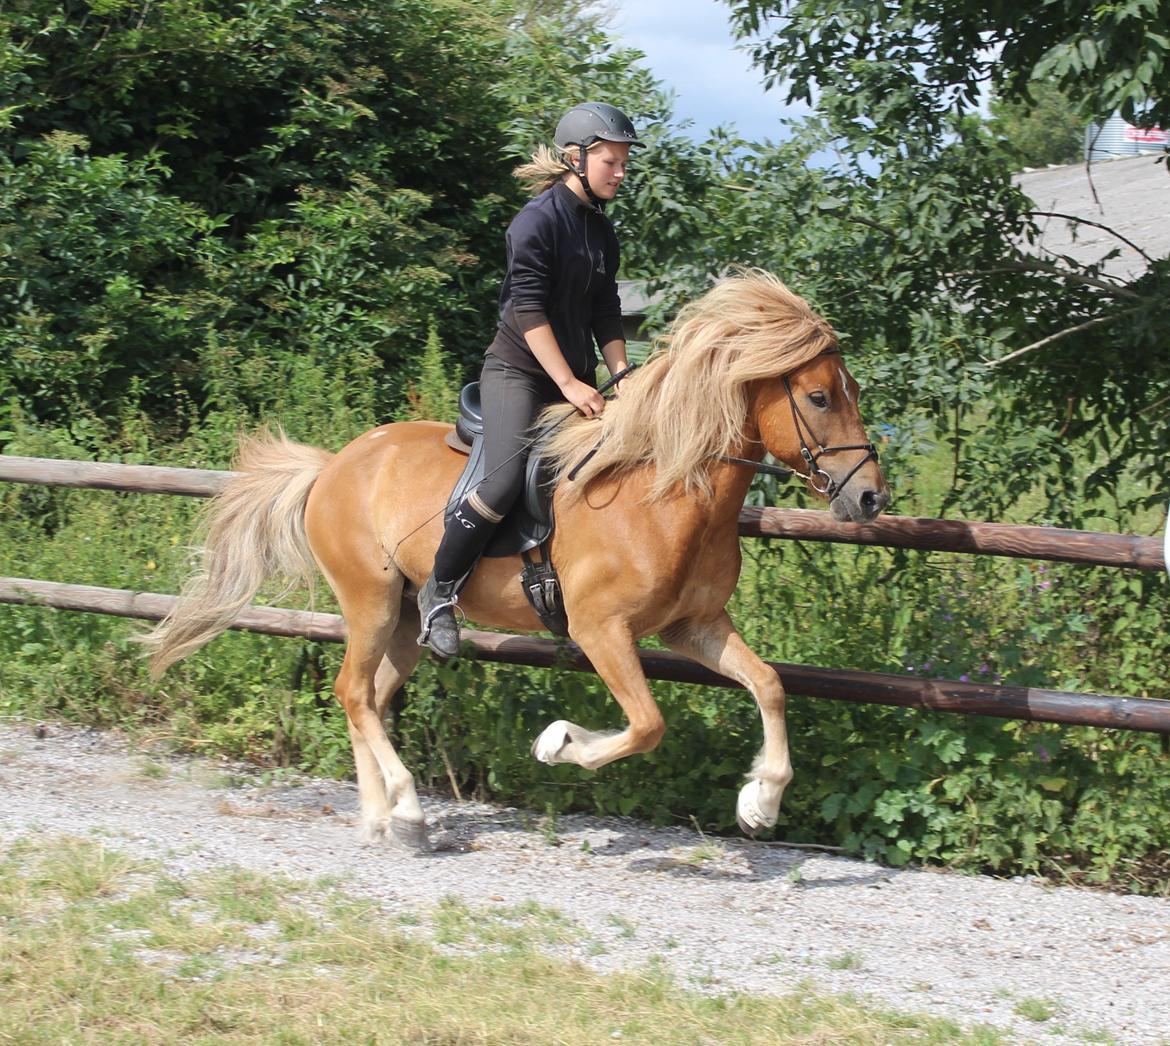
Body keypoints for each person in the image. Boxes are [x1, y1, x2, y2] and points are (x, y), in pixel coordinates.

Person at [417, 101, 642, 659]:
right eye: (611, 162)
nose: (620, 173)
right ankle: (439, 593)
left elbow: (607, 312)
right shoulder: (536, 221)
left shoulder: (601, 231)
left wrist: (623, 373)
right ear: (577, 158)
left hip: (580, 378)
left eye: (623, 163)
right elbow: (528, 311)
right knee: (500, 481)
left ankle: (573, 595)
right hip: (518, 374)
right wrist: (568, 383)